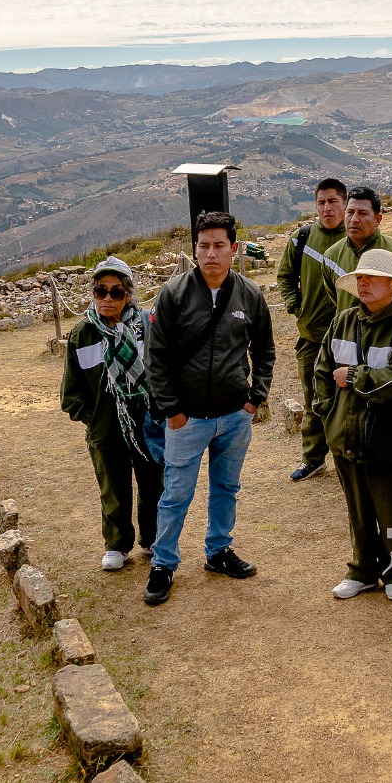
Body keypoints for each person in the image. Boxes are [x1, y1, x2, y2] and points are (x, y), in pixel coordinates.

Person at [142, 211, 276, 606]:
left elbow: (264, 350)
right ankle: (163, 564)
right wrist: (173, 412)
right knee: (175, 494)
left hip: (235, 416)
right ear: (194, 249)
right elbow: (157, 357)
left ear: (234, 249)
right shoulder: (174, 294)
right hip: (188, 420)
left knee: (226, 488)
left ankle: (218, 552)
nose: (211, 254)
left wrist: (255, 399)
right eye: (204, 246)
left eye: (219, 246)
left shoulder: (250, 294)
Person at [315, 249, 392, 600]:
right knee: (358, 509)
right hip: (344, 433)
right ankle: (362, 571)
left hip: (389, 435)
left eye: (372, 277)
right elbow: (321, 370)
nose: (362, 283)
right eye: (360, 277)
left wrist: (352, 376)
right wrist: (328, 412)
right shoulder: (343, 321)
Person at [60, 256, 165, 572]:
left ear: (128, 294)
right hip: (107, 426)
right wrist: (91, 416)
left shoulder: (147, 325)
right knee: (114, 488)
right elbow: (72, 388)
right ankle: (117, 545)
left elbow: (163, 368)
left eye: (116, 292)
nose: (107, 299)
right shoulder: (83, 334)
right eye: (100, 291)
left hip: (147, 422)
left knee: (153, 484)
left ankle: (153, 539)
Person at [277, 178, 349, 482]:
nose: (327, 208)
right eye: (321, 202)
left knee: (350, 403)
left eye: (333, 201)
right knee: (313, 401)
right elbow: (285, 276)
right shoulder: (302, 237)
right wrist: (297, 307)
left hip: (349, 338)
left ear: (344, 203)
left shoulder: (356, 238)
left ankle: (350, 462)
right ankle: (313, 458)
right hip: (311, 336)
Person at [322, 186, 392, 317]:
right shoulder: (331, 256)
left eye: (362, 213)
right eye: (350, 212)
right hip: (348, 334)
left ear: (378, 220)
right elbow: (336, 299)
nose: (354, 219)